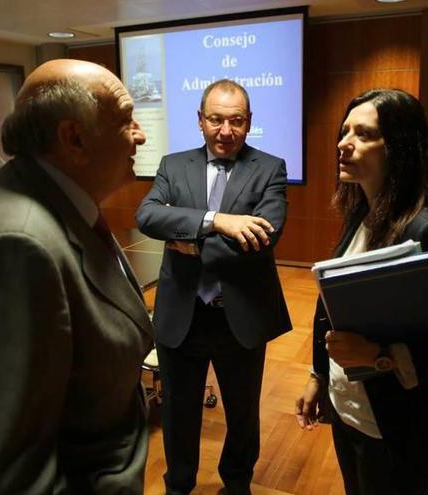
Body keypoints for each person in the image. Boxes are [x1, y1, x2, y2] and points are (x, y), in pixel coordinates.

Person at [0, 59, 153, 494]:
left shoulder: (59, 199)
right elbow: (9, 475)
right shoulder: (15, 247)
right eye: (126, 120)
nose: (140, 133)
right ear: (74, 139)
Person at [294, 89, 428, 495]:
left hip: (399, 425)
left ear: (400, 149)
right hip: (350, 411)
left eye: (364, 134)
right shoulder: (361, 213)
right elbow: (332, 308)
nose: (343, 143)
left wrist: (379, 356)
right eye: (345, 130)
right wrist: (319, 376)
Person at [136, 79, 292, 495]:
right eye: (217, 120)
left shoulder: (270, 167)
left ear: (249, 123)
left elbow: (264, 236)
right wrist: (216, 221)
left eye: (236, 121)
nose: (226, 131)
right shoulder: (173, 164)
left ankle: (237, 483)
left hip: (238, 315)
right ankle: (179, 485)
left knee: (242, 414)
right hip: (180, 316)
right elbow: (148, 216)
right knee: (178, 413)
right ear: (200, 120)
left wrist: (184, 233)